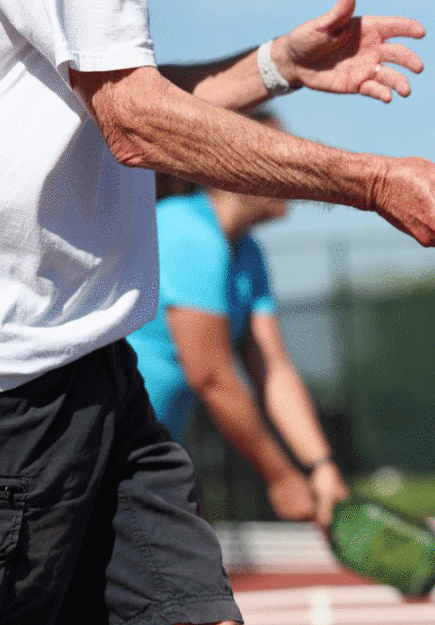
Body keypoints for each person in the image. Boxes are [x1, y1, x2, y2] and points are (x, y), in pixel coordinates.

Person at [0, 1, 435, 625]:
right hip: (11, 404)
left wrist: (277, 65)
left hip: (98, 377)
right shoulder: (193, 237)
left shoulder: (246, 259)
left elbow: (119, 89)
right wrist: (375, 181)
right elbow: (135, 120)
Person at [129, 110, 349, 527]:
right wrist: (282, 477)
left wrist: (321, 466)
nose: (295, 173)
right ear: (230, 166)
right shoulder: (187, 232)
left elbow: (273, 369)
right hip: (89, 458)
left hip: (143, 459)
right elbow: (212, 379)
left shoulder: (248, 255)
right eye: (278, 158)